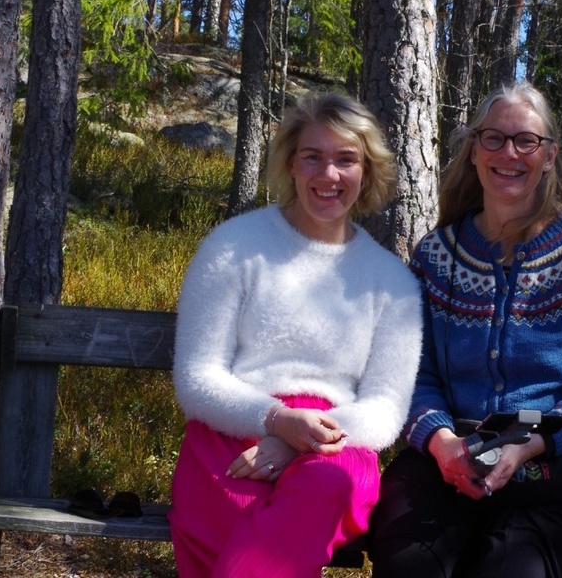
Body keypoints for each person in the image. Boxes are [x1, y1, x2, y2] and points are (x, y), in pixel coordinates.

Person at [368, 82, 562, 578]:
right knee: (409, 565)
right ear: (474, 151)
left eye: (526, 141)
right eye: (493, 138)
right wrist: (441, 442)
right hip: (448, 460)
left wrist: (531, 442)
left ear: (549, 155)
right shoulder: (436, 255)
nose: (508, 153)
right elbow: (410, 372)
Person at [168, 92, 423, 578]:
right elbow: (196, 376)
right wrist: (276, 420)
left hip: (340, 446)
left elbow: (386, 408)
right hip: (234, 436)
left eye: (346, 160)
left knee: (321, 491)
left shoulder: (392, 283)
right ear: (290, 163)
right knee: (232, 513)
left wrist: (302, 439)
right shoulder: (233, 249)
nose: (329, 175)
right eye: (313, 157)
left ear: (366, 171)